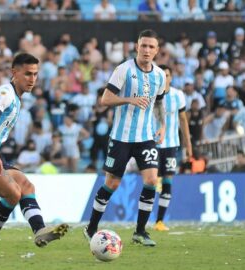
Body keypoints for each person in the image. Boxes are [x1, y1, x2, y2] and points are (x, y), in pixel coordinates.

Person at [0, 53, 68, 259]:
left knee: (26, 186)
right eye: (27, 74)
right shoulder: (5, 93)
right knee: (13, 192)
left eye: (35, 75)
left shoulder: (16, 99)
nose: (32, 79)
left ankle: (39, 230)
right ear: (14, 73)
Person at [83, 29, 166, 247]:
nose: (146, 50)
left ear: (157, 51)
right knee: (112, 183)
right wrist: (130, 99)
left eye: (151, 46)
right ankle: (91, 227)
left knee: (150, 180)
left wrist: (163, 125)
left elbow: (158, 103)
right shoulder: (124, 70)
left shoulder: (159, 75)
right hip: (121, 137)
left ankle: (140, 232)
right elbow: (105, 99)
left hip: (146, 137)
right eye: (143, 45)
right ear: (137, 46)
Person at [153, 65, 192, 231]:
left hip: (171, 144)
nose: (165, 78)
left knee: (168, 179)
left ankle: (159, 221)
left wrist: (188, 144)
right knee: (152, 179)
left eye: (167, 75)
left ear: (170, 78)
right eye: (161, 75)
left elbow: (183, 120)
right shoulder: (152, 94)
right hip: (152, 143)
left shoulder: (178, 95)